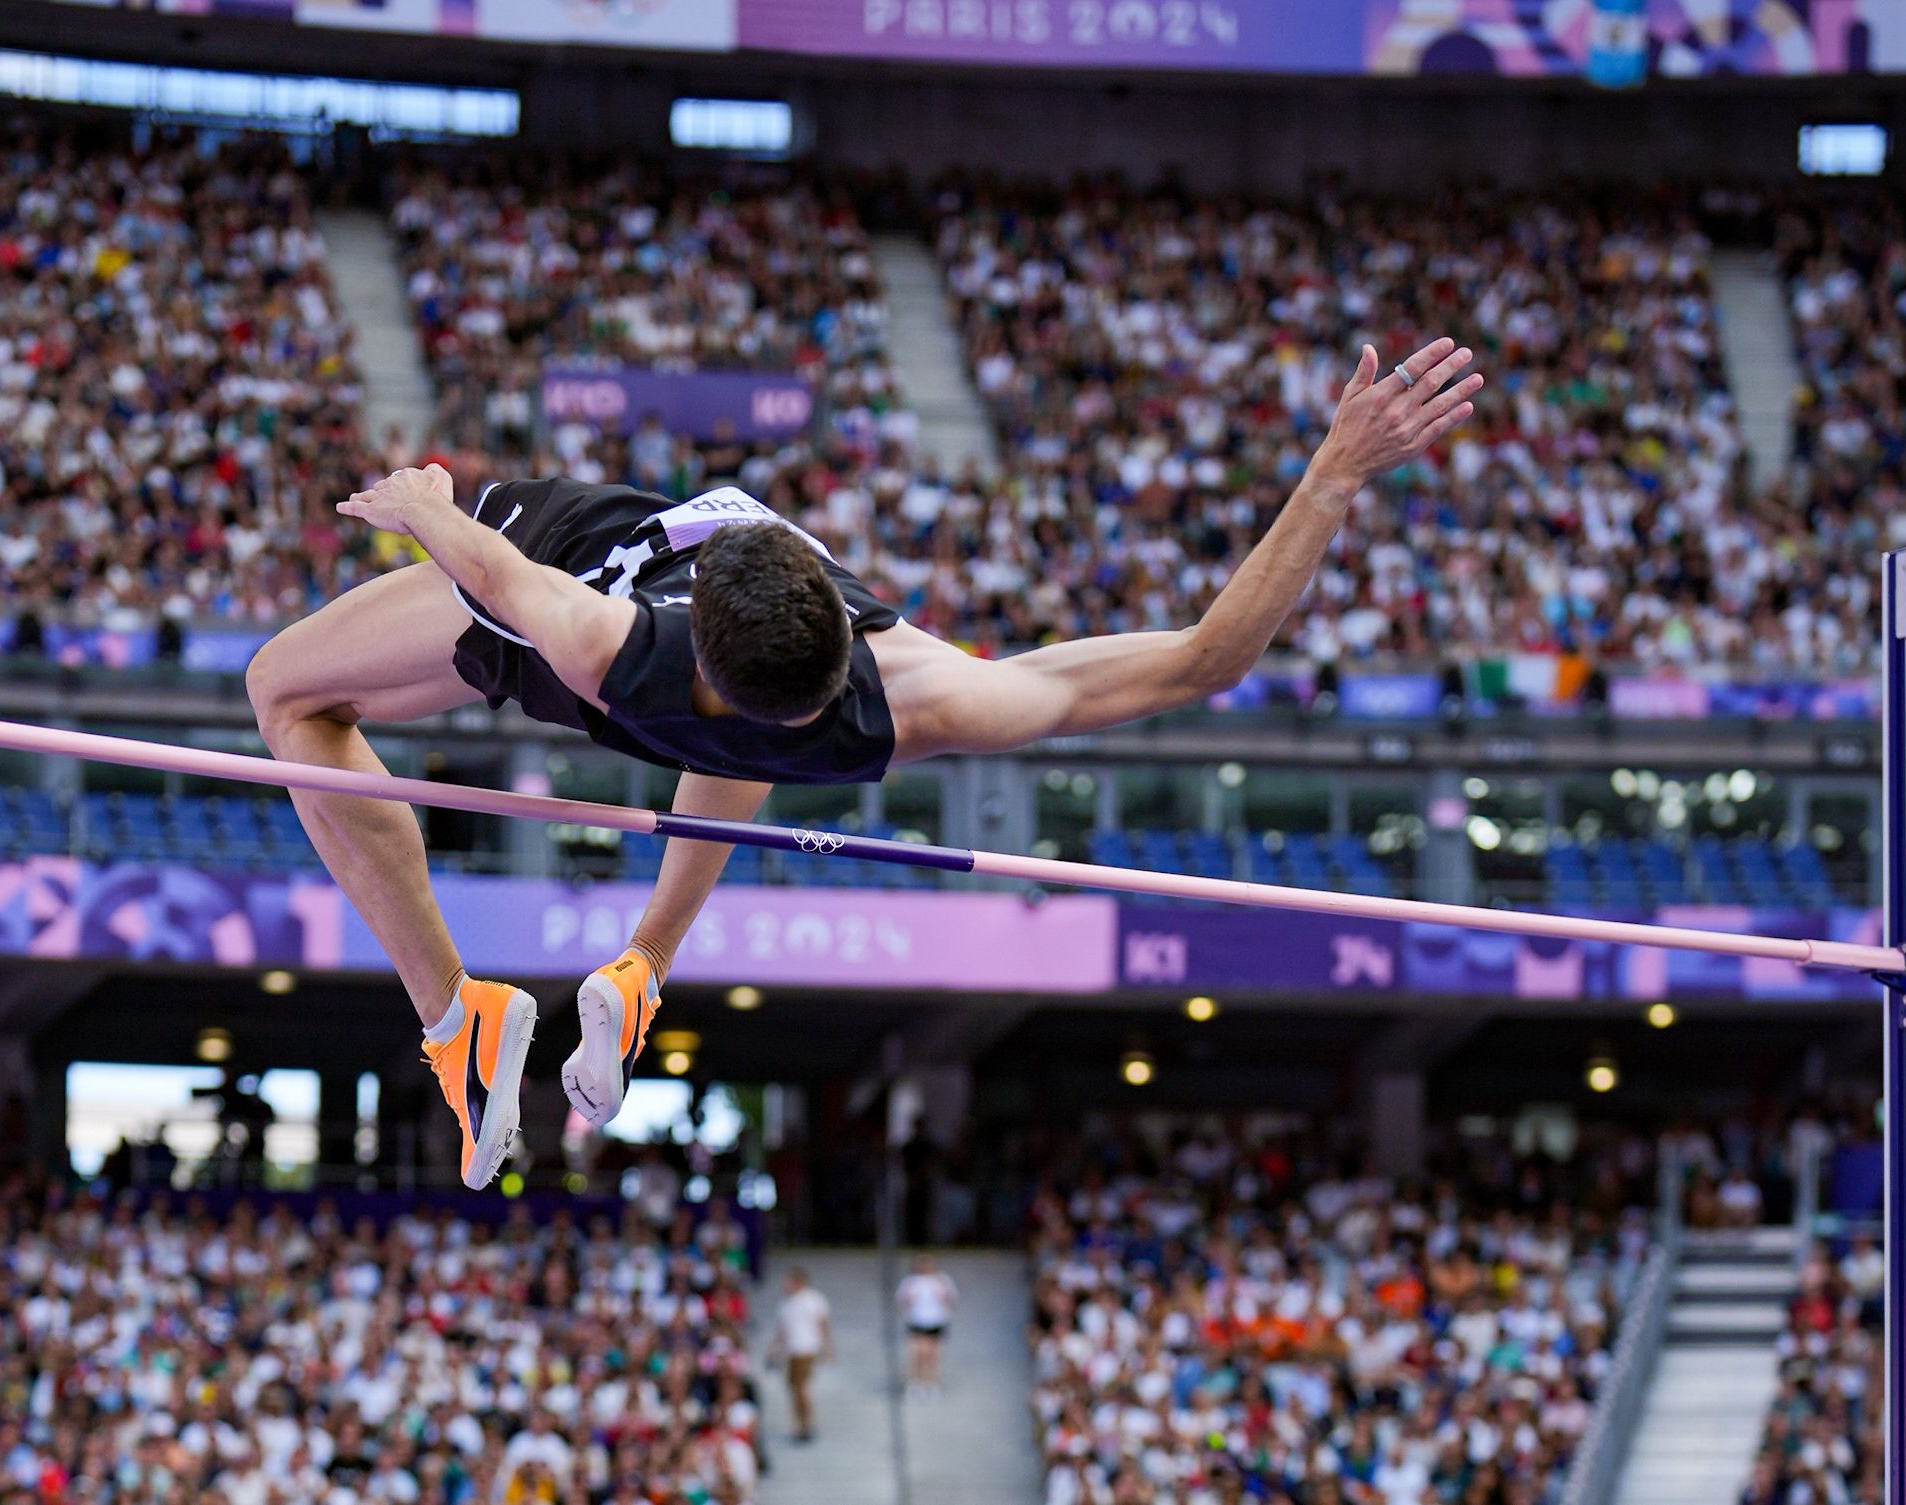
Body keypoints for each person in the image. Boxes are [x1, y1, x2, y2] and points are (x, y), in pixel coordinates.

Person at [248, 339, 1482, 1186]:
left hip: (568, 582)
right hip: (710, 680)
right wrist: (1332, 478)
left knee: (286, 693)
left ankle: (457, 1014)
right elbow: (1206, 662)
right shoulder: (926, 699)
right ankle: (643, 963)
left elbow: (493, 567)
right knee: (729, 739)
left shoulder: (598, 635)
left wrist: (424, 504)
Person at [767, 1267, 833, 1443]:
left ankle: (806, 1425)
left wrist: (827, 1346)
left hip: (806, 1348)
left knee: (800, 1389)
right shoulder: (786, 1304)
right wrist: (774, 1349)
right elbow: (782, 1330)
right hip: (792, 1351)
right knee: (794, 1390)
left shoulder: (813, 1300)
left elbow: (822, 1324)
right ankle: (800, 1424)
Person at [896, 1253, 958, 1395]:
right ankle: (915, 1383)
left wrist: (941, 1293)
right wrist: (910, 1298)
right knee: (917, 1354)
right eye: (922, 1264)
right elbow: (902, 1302)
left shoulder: (943, 1280)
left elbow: (951, 1301)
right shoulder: (910, 1282)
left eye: (928, 1264)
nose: (925, 1267)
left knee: (933, 1356)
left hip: (936, 1321)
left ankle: (932, 1384)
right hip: (916, 1322)